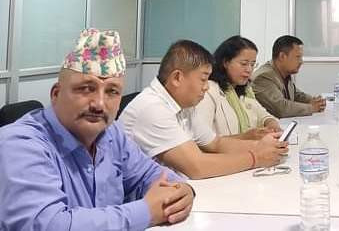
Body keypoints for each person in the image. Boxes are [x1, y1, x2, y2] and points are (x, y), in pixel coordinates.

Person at [0, 29, 194, 230]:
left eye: (112, 91)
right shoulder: (19, 144)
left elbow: (152, 175)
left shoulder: (111, 134)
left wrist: (183, 192)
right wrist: (146, 212)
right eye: (86, 88)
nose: (99, 104)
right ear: (56, 94)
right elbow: (49, 225)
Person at [120, 40, 287, 180]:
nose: (206, 87)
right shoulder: (152, 108)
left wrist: (262, 146)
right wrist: (256, 157)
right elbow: (196, 167)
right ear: (177, 78)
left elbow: (215, 143)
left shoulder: (184, 105)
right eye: (203, 79)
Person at [196, 35, 281, 139]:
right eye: (244, 64)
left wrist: (272, 124)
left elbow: (263, 115)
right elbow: (203, 141)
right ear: (226, 62)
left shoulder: (245, 90)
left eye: (252, 64)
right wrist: (245, 137)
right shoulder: (209, 90)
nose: (249, 70)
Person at [252, 35, 326, 118]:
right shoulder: (264, 77)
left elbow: (296, 95)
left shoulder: (285, 73)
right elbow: (281, 108)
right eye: (298, 57)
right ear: (282, 56)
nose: (301, 62)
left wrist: (314, 101)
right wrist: (311, 108)